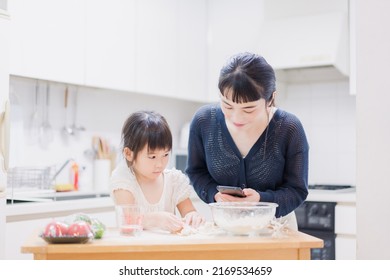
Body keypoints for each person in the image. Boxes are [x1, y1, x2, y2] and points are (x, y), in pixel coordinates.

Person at [186, 52, 309, 228]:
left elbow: (297, 190)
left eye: (249, 109)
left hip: (277, 230)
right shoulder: (204, 121)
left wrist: (261, 200)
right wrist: (214, 194)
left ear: (271, 99)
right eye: (227, 105)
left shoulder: (288, 128)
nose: (236, 117)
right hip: (224, 228)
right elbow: (196, 172)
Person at [110, 110, 205, 233]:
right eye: (152, 157)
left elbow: (189, 212)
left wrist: (193, 217)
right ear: (128, 153)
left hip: (168, 250)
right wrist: (156, 219)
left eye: (165, 154)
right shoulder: (123, 180)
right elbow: (128, 220)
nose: (160, 164)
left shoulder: (173, 180)